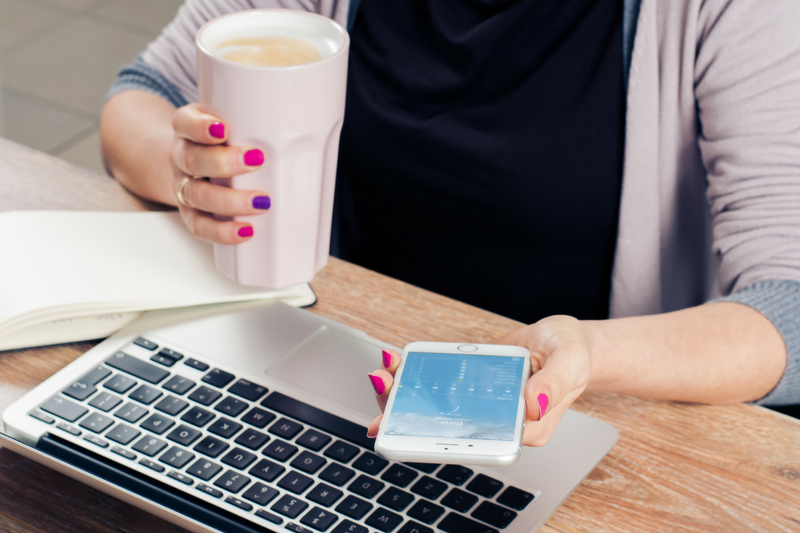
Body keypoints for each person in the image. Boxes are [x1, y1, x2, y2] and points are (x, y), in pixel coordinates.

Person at [100, 0, 800, 446]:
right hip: (331, 380)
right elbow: (142, 98)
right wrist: (193, 172)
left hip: (583, 432)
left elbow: (788, 305)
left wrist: (590, 354)